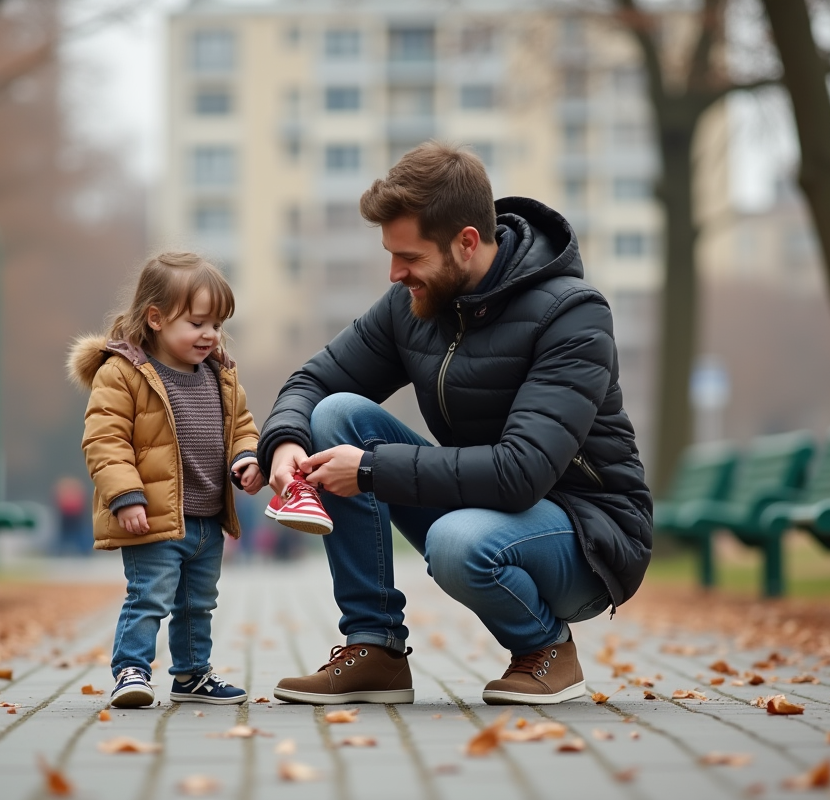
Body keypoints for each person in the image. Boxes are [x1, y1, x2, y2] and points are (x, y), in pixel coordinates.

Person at [257, 142, 653, 706]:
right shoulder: (412, 304)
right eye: (391, 255)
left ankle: (547, 649)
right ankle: (376, 649)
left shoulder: (572, 315)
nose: (396, 274)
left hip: (587, 536)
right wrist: (285, 442)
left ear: (466, 242)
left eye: (410, 257)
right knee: (334, 415)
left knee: (455, 541)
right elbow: (314, 381)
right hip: (485, 505)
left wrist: (369, 470)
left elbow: (521, 472)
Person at [68, 251, 263, 708]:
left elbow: (242, 428)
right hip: (151, 516)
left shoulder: (221, 375)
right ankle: (131, 670)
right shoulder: (124, 374)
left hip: (207, 519)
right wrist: (126, 495)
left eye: (216, 323)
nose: (210, 334)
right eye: (197, 323)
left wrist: (248, 457)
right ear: (155, 318)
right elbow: (106, 440)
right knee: (149, 598)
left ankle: (192, 674)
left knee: (198, 605)